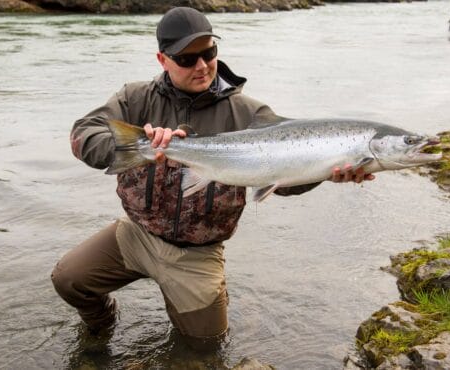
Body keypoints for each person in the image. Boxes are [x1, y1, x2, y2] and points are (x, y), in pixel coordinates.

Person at [51, 6, 374, 351]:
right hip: (136, 236)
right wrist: (134, 148)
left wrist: (325, 172)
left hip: (197, 255)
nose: (202, 66)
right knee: (68, 279)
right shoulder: (135, 98)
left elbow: (284, 180)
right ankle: (101, 326)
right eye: (187, 59)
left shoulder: (250, 114)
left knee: (205, 348)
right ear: (162, 59)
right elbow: (83, 134)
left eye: (209, 53)